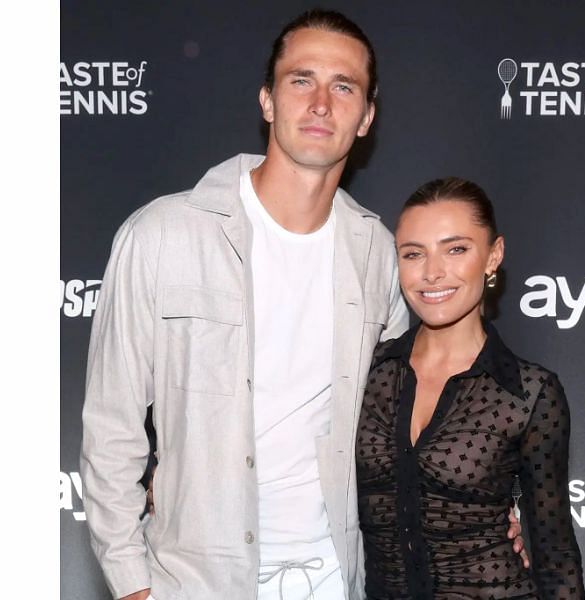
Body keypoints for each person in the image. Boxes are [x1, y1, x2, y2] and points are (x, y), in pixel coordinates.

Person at [79, 10, 521, 600]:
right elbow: (111, 429)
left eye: (344, 86)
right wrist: (133, 585)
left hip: (341, 577)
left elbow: (404, 426)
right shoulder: (163, 235)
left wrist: (484, 507)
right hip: (195, 583)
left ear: (365, 118)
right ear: (267, 100)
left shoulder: (378, 255)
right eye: (300, 80)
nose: (321, 103)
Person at [356, 178, 585, 599]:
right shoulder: (366, 370)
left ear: (493, 255)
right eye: (413, 254)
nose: (432, 272)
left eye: (456, 249)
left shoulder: (529, 392)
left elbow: (556, 558)